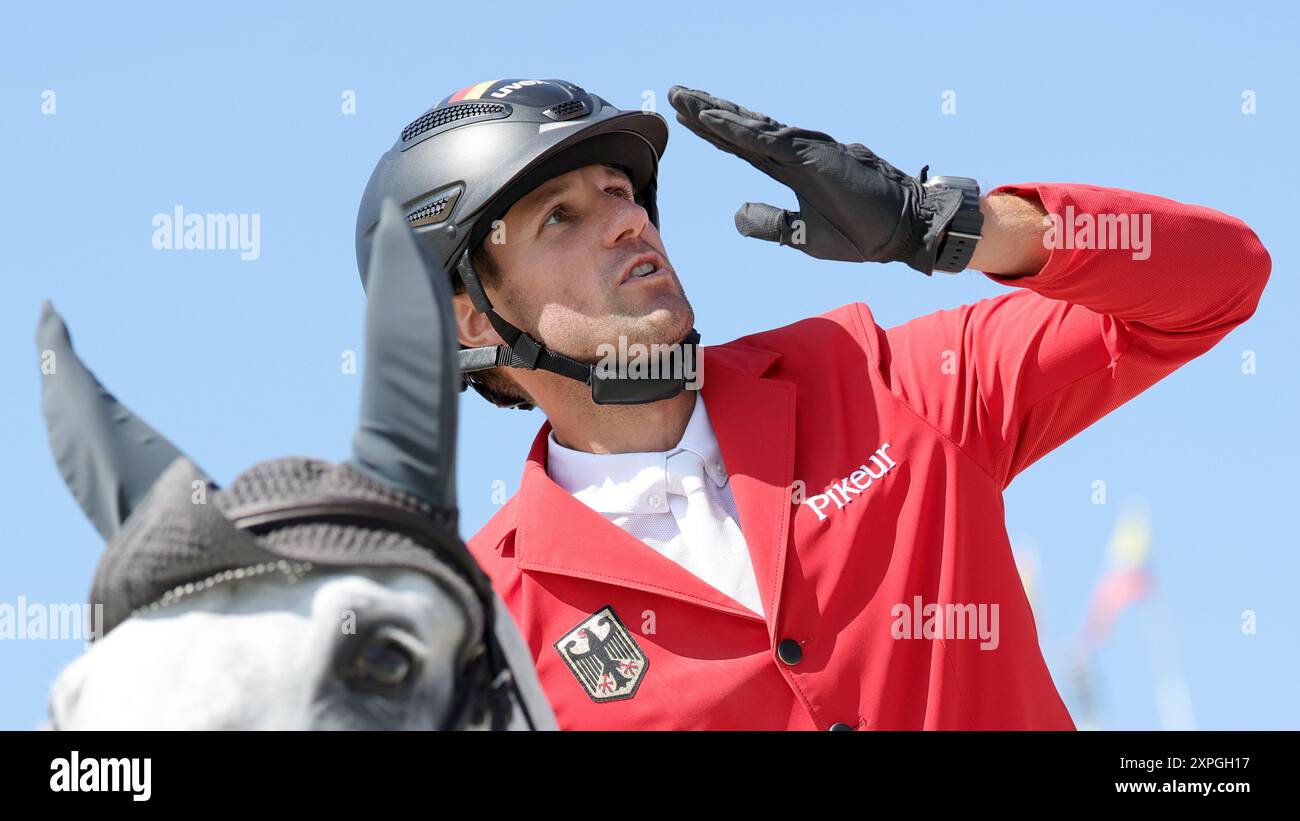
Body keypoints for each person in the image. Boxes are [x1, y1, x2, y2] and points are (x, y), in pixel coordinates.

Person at [354, 79, 1271, 730]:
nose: (629, 221)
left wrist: (950, 227)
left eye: (621, 192)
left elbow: (1219, 281)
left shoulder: (878, 378)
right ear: (470, 313)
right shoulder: (481, 633)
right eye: (561, 216)